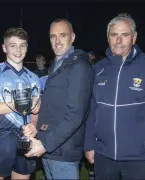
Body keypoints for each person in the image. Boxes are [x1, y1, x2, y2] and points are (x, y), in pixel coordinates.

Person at [84, 13, 145, 179]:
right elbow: (92, 110)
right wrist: (89, 145)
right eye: (114, 35)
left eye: (125, 35)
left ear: (134, 37)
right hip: (103, 155)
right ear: (108, 38)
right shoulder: (98, 69)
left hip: (138, 158)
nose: (119, 40)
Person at [25, 19, 94, 179]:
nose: (57, 41)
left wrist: (45, 144)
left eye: (63, 35)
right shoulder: (57, 65)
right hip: (51, 148)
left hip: (63, 151)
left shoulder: (79, 66)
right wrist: (36, 125)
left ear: (73, 37)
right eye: (52, 36)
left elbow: (76, 114)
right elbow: (54, 107)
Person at [0, 27, 41, 180]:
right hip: (1, 138)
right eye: (12, 45)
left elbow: (36, 111)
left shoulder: (33, 77)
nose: (18, 50)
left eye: (22, 45)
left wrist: (33, 125)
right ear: (4, 48)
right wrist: (21, 103)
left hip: (25, 138)